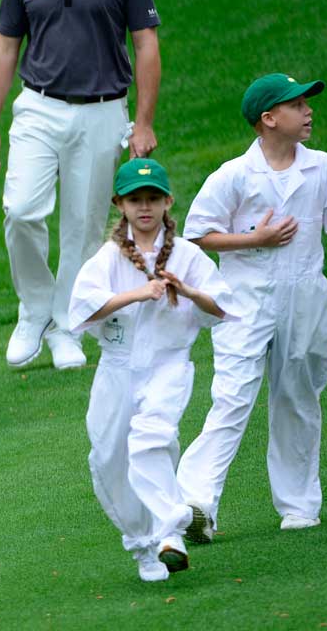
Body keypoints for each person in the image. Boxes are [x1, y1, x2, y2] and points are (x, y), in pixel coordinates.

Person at [0, 0, 162, 370]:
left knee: (82, 226)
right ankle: (34, 311)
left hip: (103, 112)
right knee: (21, 210)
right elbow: (5, 47)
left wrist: (143, 121)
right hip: (38, 107)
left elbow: (146, 45)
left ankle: (66, 325)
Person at [176, 74, 327, 542]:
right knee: (232, 398)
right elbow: (197, 233)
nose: (308, 112)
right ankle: (195, 503)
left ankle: (299, 505)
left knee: (297, 399)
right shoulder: (233, 175)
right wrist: (255, 239)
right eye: (297, 105)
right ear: (268, 118)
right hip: (244, 302)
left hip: (305, 300)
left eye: (306, 104)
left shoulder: (321, 166)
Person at [69, 159, 238, 581]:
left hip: (168, 365)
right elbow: (83, 309)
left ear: (167, 201)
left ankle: (170, 530)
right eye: (135, 200)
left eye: (152, 198)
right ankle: (144, 546)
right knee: (108, 458)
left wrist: (188, 291)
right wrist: (137, 294)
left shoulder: (187, 255)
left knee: (152, 440)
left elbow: (222, 307)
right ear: (120, 204)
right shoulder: (108, 258)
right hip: (117, 368)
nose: (144, 207)